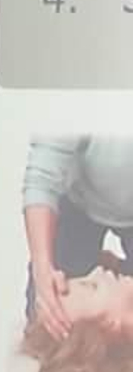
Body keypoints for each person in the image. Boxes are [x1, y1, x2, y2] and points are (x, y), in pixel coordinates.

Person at [22, 136, 133, 340]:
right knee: (43, 306)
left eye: (91, 285)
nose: (101, 268)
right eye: (90, 285)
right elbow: (41, 178)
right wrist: (42, 266)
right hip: (80, 199)